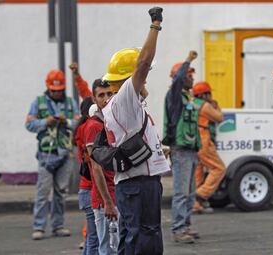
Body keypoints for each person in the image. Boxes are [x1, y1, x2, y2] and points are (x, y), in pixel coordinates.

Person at [100, 7, 169, 255]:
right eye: (145, 75)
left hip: (137, 183)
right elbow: (143, 62)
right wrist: (156, 25)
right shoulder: (124, 99)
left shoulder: (124, 104)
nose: (147, 78)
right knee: (142, 240)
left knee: (137, 237)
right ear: (130, 78)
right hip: (138, 184)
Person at [25, 69, 79, 240]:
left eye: (59, 90)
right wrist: (44, 122)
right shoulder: (38, 102)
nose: (57, 93)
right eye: (54, 90)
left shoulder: (70, 103)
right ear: (48, 88)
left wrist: (66, 121)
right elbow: (29, 124)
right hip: (45, 155)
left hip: (65, 154)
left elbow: (78, 122)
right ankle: (39, 227)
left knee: (60, 192)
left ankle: (58, 226)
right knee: (43, 192)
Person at [163, 50, 204, 243]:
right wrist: (188, 60)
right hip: (180, 150)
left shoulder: (188, 98)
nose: (191, 78)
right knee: (181, 193)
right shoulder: (174, 97)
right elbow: (178, 79)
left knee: (190, 193)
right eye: (189, 75)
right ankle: (178, 229)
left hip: (190, 150)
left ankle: (185, 226)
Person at [84, 79, 117, 255]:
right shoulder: (94, 126)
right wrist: (108, 202)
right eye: (101, 95)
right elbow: (96, 169)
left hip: (117, 192)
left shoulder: (110, 121)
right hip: (105, 198)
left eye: (109, 93)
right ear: (94, 99)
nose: (106, 98)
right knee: (108, 249)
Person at [191, 81, 225, 214]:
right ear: (204, 95)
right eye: (209, 93)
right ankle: (200, 194)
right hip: (203, 138)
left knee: (198, 171)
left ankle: (195, 204)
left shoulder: (192, 103)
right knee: (219, 168)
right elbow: (219, 118)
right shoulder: (205, 106)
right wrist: (216, 106)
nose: (211, 96)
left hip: (193, 139)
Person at [75, 96, 99, 254]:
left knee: (91, 237)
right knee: (93, 238)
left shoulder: (81, 129)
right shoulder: (90, 129)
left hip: (85, 189)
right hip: (89, 189)